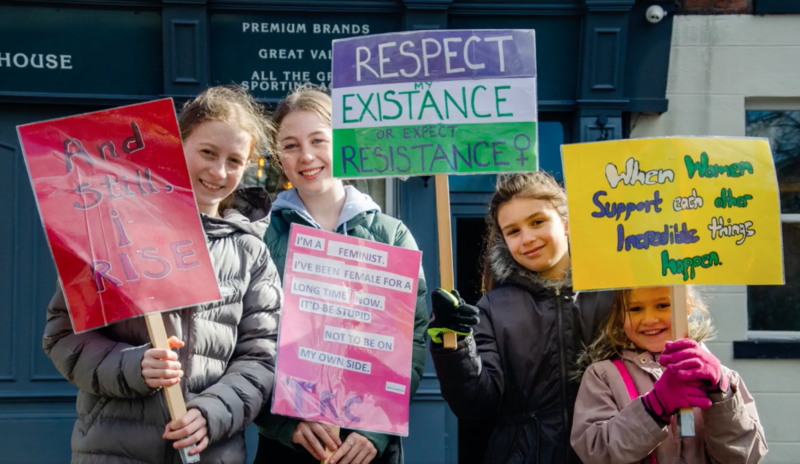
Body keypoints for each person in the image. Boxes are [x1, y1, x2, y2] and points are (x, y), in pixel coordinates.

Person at [43, 85, 282, 463]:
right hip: (113, 451)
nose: (219, 171)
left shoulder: (251, 253)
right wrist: (132, 366)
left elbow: (260, 358)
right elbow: (63, 336)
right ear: (175, 146)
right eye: (207, 152)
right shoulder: (112, 231)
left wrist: (213, 412)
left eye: (235, 160)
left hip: (210, 452)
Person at [254, 86, 429, 464]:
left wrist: (376, 430)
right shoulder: (260, 237)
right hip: (289, 444)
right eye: (291, 145)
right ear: (279, 157)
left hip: (367, 448)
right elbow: (246, 341)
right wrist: (282, 423)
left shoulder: (391, 235)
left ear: (344, 143)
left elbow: (411, 340)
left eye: (319, 140)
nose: (306, 156)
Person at [428, 171, 613, 464]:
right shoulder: (493, 307)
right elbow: (475, 404)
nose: (527, 238)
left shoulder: (614, 294)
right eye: (513, 231)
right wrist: (455, 346)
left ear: (565, 223)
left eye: (537, 222)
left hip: (609, 452)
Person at [571, 286, 768, 463]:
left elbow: (746, 456)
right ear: (620, 314)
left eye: (663, 305)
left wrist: (721, 395)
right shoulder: (603, 376)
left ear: (687, 306)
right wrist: (654, 407)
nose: (649, 319)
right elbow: (595, 452)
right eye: (635, 309)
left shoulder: (723, 377)